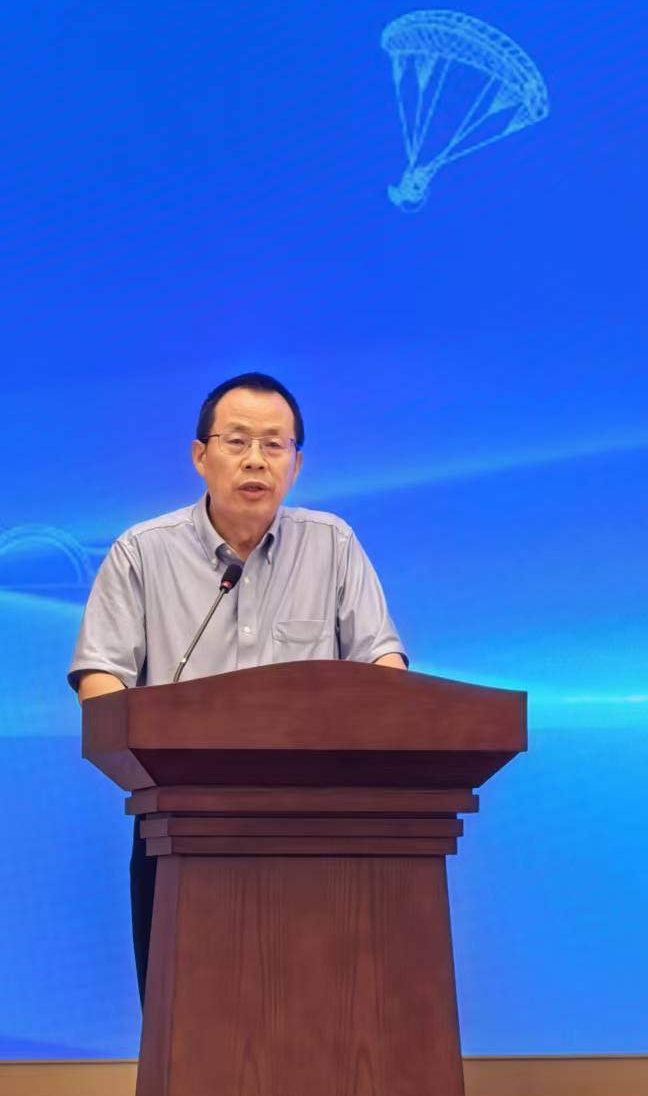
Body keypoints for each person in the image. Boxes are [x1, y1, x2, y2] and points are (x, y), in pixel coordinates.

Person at [68, 372, 407, 999]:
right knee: (187, 1021)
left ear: (296, 464)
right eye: (237, 441)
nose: (256, 460)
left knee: (322, 1015)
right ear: (200, 456)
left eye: (274, 445)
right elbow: (100, 681)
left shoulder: (333, 546)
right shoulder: (142, 553)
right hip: (179, 829)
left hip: (322, 830)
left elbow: (384, 669)